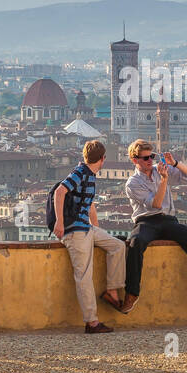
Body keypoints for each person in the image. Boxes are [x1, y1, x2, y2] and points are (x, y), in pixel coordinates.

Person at [120, 139, 187, 314]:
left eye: (151, 156)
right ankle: (131, 294)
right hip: (146, 221)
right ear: (134, 160)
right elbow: (156, 204)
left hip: (168, 221)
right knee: (135, 243)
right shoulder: (132, 183)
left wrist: (174, 163)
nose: (149, 161)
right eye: (145, 158)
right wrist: (164, 180)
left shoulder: (159, 170)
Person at [53, 140, 126, 334]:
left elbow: (90, 205)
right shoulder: (80, 173)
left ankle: (112, 291)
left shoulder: (90, 176)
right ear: (103, 159)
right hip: (75, 232)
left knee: (118, 246)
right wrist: (59, 223)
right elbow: (60, 192)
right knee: (84, 277)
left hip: (87, 229)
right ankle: (92, 322)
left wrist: (96, 231)